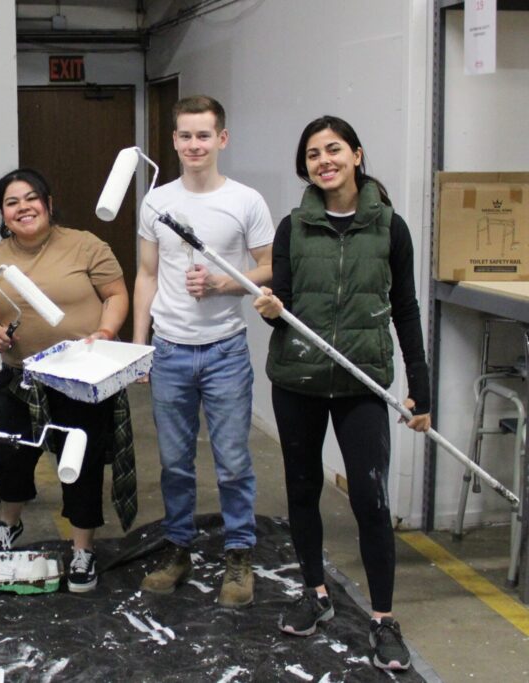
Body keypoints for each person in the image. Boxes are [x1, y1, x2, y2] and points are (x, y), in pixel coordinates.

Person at [253, 115, 431, 672]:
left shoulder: (389, 228)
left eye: (333, 150)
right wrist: (270, 310)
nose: (323, 161)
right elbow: (281, 305)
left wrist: (419, 389)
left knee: (370, 501)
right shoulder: (292, 227)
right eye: (312, 154)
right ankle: (316, 593)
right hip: (298, 381)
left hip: (361, 383)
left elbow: (405, 307)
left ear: (356, 155)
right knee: (302, 491)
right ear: (304, 166)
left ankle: (381, 618)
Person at [0, 168, 135, 593]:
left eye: (30, 198)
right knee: (10, 458)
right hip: (19, 377)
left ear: (48, 203)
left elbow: (116, 294)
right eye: (11, 202)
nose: (22, 208)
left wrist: (107, 332)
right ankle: (9, 524)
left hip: (78, 378)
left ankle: (82, 548)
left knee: (81, 463)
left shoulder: (85, 245)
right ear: (2, 214)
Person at [133, 95, 273, 607]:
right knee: (174, 462)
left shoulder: (246, 201)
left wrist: (223, 282)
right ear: (174, 141)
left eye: (204, 135)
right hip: (169, 350)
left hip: (224, 352)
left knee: (233, 461)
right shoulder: (156, 202)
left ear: (222, 139)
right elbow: (147, 274)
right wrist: (139, 344)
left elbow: (269, 266)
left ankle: (238, 554)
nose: (195, 145)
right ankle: (177, 547)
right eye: (186, 136)